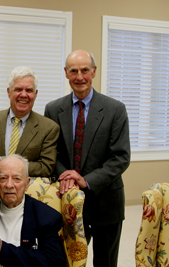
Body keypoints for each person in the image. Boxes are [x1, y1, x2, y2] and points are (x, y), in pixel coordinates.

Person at [44, 50, 131, 267]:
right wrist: (69, 177)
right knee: (67, 261)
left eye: (85, 70)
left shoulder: (115, 109)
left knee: (106, 262)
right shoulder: (53, 109)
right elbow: (50, 152)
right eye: (74, 71)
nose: (80, 76)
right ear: (66, 73)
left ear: (94, 71)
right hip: (67, 199)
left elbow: (120, 156)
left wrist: (86, 180)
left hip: (105, 201)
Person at [0, 154, 65, 267]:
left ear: (27, 183)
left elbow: (53, 262)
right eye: (3, 178)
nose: (9, 185)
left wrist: (1, 248)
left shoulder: (47, 217)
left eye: (16, 179)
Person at [0, 66, 59, 182]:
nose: (23, 95)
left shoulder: (49, 128)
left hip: (25, 194)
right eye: (18, 89)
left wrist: (2, 169)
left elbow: (46, 166)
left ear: (35, 94)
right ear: (8, 92)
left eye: (29, 90)